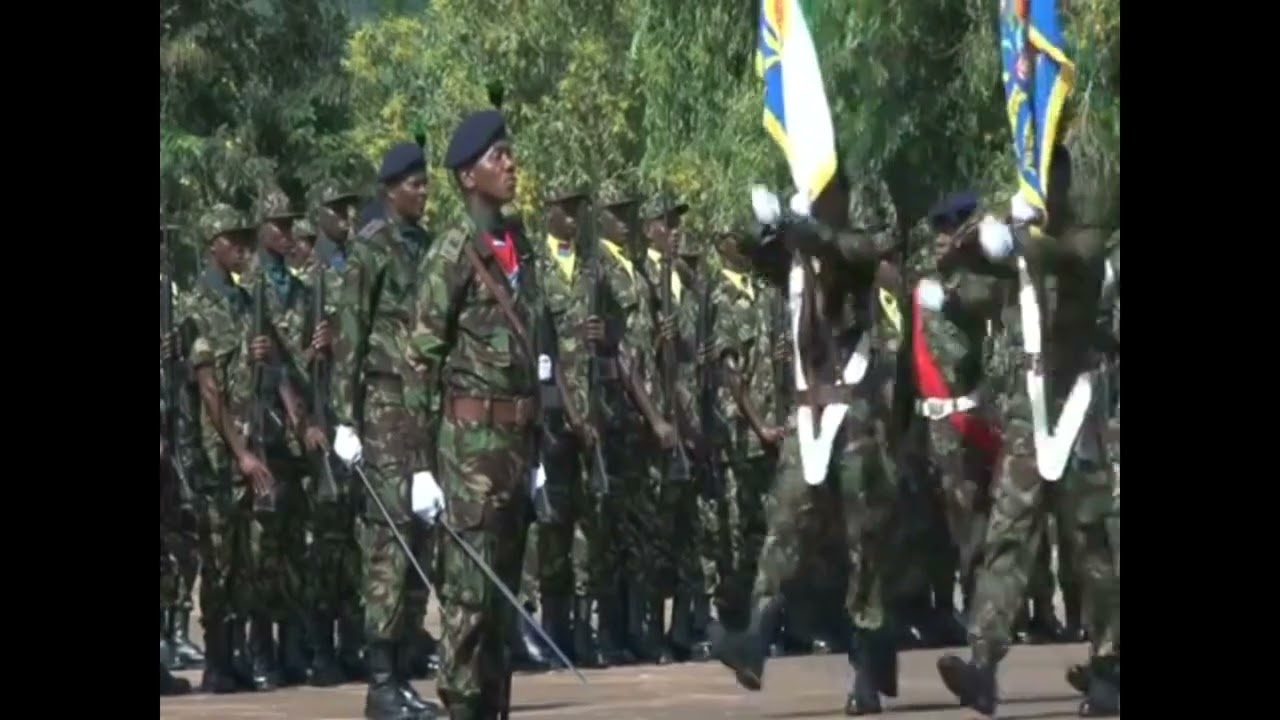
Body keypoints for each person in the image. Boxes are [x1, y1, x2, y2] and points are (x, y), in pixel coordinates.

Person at [935, 145, 1120, 718]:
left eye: (1050, 184)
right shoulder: (1021, 247)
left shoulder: (1084, 240)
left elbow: (1066, 258)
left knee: (1090, 546)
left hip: (1074, 409)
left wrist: (1020, 242)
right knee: (1007, 538)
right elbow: (976, 285)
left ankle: (1110, 665)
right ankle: (983, 664)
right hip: (1028, 410)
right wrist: (965, 248)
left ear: (1061, 185)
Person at [711, 166, 905, 716]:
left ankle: (868, 672)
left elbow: (855, 250)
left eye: (827, 193)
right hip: (807, 417)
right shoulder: (798, 259)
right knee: (784, 526)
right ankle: (756, 637)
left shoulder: (853, 248)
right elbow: (752, 255)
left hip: (855, 413)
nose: (821, 202)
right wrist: (773, 226)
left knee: (862, 545)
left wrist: (807, 228)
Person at [406, 109, 543, 718]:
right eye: (497, 157)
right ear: (467, 177)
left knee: (504, 608)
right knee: (467, 608)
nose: (510, 164)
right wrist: (419, 467)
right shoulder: (450, 254)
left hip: (516, 450)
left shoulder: (520, 247)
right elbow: (419, 362)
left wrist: (538, 451)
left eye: (510, 153)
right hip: (467, 454)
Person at [331, 140, 441, 720]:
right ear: (391, 188)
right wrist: (344, 418)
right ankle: (379, 684)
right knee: (390, 546)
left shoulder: (426, 246)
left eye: (426, 183)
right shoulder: (371, 249)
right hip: (380, 409)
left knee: (419, 539)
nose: (424, 192)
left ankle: (401, 671)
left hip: (421, 412)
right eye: (415, 184)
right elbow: (350, 332)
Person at [180, 205, 275, 694]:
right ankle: (218, 660)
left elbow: (243, 375)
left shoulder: (241, 302)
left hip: (248, 445)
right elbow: (210, 390)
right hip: (220, 458)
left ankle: (235, 655)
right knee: (218, 561)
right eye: (233, 238)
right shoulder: (197, 307)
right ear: (213, 243)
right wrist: (240, 452)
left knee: (246, 561)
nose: (243, 245)